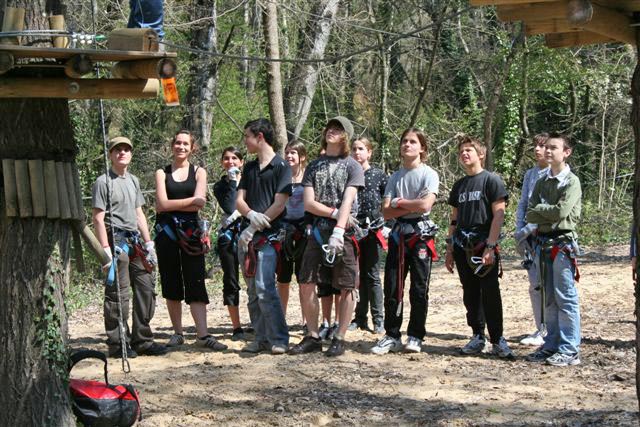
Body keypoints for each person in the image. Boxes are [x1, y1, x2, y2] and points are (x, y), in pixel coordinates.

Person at [289, 116, 364, 357]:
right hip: (317, 231)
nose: (332, 131)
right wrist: (333, 214)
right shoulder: (314, 166)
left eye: (338, 129)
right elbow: (309, 204)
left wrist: (339, 231)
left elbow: (348, 200)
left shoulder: (353, 166)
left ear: (346, 136)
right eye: (330, 127)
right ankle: (312, 335)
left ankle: (340, 337)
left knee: (347, 285)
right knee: (306, 281)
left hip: (345, 233)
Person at [92, 136, 167, 358]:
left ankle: (142, 340)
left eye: (126, 149)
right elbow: (98, 217)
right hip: (116, 241)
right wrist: (105, 249)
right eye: (117, 150)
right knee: (118, 295)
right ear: (111, 154)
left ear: (131, 154)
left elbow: (139, 214)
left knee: (145, 288)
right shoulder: (103, 181)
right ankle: (118, 344)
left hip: (136, 242)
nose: (122, 153)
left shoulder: (133, 180)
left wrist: (149, 242)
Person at [154, 130, 226, 351]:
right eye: (177, 143)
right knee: (170, 280)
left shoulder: (199, 172)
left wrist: (176, 203)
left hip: (191, 234)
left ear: (192, 148)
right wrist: (189, 201)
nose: (181, 147)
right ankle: (177, 333)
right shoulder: (161, 173)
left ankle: (203, 335)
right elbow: (161, 205)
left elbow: (201, 202)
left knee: (195, 280)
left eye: (185, 144)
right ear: (172, 145)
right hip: (166, 233)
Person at [444, 135, 514, 359]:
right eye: (462, 151)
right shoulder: (459, 185)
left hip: (483, 244)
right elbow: (454, 218)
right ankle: (477, 335)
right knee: (470, 292)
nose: (464, 154)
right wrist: (449, 248)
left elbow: (498, 216)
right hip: (462, 245)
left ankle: (498, 339)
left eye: (469, 150)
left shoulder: (491, 180)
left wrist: (491, 246)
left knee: (490, 291)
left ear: (481, 154)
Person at [370, 129, 439, 354]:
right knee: (392, 285)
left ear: (422, 148)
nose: (407, 145)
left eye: (412, 142)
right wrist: (408, 204)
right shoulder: (394, 177)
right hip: (399, 235)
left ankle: (416, 335)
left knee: (419, 288)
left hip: (420, 235)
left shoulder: (429, 174)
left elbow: (425, 206)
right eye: (404, 141)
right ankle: (391, 334)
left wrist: (400, 202)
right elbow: (386, 212)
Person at [525, 133, 582, 367]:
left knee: (565, 297)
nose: (548, 151)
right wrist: (545, 212)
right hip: (542, 243)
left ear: (566, 152)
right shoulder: (541, 181)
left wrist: (542, 211)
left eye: (554, 148)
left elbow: (562, 212)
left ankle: (570, 349)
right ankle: (551, 345)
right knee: (548, 298)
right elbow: (530, 213)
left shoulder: (572, 182)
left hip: (562, 244)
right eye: (546, 147)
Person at [236, 118, 291, 355]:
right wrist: (250, 215)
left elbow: (280, 204)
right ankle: (261, 338)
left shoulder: (282, 166)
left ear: (259, 137)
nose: (245, 141)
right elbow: (238, 200)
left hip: (270, 236)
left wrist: (257, 225)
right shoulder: (249, 168)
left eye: (247, 135)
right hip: (248, 236)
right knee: (251, 290)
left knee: (264, 286)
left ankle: (279, 337)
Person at [348, 137, 388, 334]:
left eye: (361, 149)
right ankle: (359, 317)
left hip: (373, 231)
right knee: (357, 276)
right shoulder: (349, 174)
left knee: (372, 275)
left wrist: (386, 225)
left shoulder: (378, 175)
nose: (357, 152)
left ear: (369, 152)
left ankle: (378, 319)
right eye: (354, 149)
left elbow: (387, 202)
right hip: (353, 231)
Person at [514, 133, 549, 346]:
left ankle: (551, 330)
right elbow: (522, 204)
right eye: (535, 146)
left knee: (549, 285)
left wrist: (529, 228)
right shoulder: (530, 174)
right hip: (528, 238)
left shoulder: (556, 174)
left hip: (545, 236)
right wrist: (520, 230)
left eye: (542, 146)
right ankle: (540, 328)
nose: (537, 149)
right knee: (535, 284)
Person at [213, 147, 246, 341]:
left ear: (241, 161)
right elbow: (229, 206)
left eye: (234, 158)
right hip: (228, 237)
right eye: (226, 158)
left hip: (249, 233)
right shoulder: (220, 186)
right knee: (231, 279)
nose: (230, 162)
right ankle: (237, 327)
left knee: (256, 280)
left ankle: (259, 322)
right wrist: (233, 182)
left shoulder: (251, 180)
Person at [277, 140, 308, 326]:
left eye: (293, 153)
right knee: (283, 279)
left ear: (301, 157)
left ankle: (306, 321)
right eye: (287, 153)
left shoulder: (309, 177)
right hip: (284, 230)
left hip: (305, 230)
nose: (289, 156)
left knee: (304, 280)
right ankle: (281, 318)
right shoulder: (281, 177)